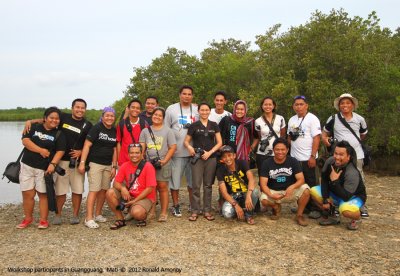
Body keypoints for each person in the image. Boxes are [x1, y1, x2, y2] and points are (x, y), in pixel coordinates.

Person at [24, 99, 93, 225]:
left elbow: (91, 143)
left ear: (85, 109)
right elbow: (46, 120)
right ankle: (58, 215)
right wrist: (30, 121)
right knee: (60, 190)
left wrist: (81, 152)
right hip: (60, 160)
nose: (80, 110)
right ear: (72, 108)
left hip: (76, 162)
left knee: (77, 190)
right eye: (77, 107)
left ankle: (75, 215)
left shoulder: (88, 125)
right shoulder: (63, 117)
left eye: (82, 108)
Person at [321, 93, 369, 218]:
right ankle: (337, 205)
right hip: (338, 155)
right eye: (342, 103)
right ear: (339, 105)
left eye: (348, 103)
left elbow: (363, 134)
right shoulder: (333, 118)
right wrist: (326, 140)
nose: (345, 105)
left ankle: (361, 206)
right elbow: (324, 133)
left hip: (357, 154)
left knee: (359, 179)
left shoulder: (360, 119)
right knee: (336, 178)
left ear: (353, 105)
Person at [17, 107, 66, 229]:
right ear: (45, 118)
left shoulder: (59, 133)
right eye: (51, 118)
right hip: (27, 165)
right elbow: (25, 141)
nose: (54, 120)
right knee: (27, 194)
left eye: (57, 118)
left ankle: (43, 220)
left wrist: (53, 164)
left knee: (43, 194)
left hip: (44, 169)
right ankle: (28, 218)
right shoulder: (34, 127)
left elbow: (60, 151)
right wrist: (41, 150)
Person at [310, 141, 366, 230]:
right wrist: (325, 199)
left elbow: (346, 196)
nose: (337, 157)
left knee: (345, 210)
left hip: (352, 196)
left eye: (341, 155)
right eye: (336, 153)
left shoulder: (352, 172)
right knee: (313, 191)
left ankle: (357, 216)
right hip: (337, 192)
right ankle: (333, 215)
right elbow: (324, 180)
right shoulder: (330, 161)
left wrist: (335, 181)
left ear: (348, 157)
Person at [78, 107, 118, 229]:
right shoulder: (96, 128)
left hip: (107, 164)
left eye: (112, 116)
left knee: (104, 190)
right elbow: (87, 145)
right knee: (94, 190)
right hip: (95, 164)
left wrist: (114, 166)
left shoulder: (114, 130)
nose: (109, 118)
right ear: (103, 116)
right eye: (107, 115)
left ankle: (98, 214)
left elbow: (115, 149)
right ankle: (88, 218)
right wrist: (82, 162)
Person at [184, 103, 222, 221]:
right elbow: (186, 141)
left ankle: (207, 210)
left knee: (208, 185)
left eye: (207, 110)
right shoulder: (194, 125)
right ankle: (195, 210)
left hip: (210, 158)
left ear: (210, 111)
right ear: (198, 111)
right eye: (202, 110)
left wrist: (210, 152)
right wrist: (190, 148)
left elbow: (219, 142)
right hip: (197, 157)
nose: (204, 112)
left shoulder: (214, 125)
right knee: (196, 185)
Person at [164, 85, 199, 217]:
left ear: (192, 96)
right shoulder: (171, 109)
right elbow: (166, 129)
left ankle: (192, 204)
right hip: (176, 152)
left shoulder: (196, 109)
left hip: (192, 152)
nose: (187, 96)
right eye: (184, 94)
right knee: (175, 181)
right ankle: (176, 205)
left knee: (192, 181)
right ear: (179, 95)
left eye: (189, 94)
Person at [259, 138, 310, 226]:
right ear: (273, 150)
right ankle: (276, 207)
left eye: (283, 149)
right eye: (277, 149)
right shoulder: (266, 163)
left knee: (306, 190)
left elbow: (301, 179)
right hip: (273, 191)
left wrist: (292, 187)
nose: (280, 152)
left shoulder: (293, 161)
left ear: (287, 150)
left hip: (288, 192)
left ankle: (299, 215)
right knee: (263, 200)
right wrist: (271, 195)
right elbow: (263, 184)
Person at [106, 143, 157, 229]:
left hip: (145, 197)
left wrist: (135, 201)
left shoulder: (148, 166)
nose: (134, 155)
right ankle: (120, 219)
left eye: (137, 153)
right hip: (130, 195)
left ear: (142, 154)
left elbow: (149, 189)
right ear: (128, 154)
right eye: (132, 153)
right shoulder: (124, 166)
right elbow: (116, 183)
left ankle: (141, 212)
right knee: (109, 192)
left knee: (137, 213)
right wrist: (122, 188)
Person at [139, 107, 177, 222]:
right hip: (149, 164)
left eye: (160, 115)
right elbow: (142, 146)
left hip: (163, 163)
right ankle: (151, 211)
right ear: (152, 116)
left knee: (162, 187)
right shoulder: (145, 131)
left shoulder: (168, 131)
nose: (157, 117)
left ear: (163, 118)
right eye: (155, 114)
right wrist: (141, 158)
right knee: (151, 188)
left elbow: (173, 147)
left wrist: (165, 160)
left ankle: (164, 212)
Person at [287, 95, 321, 218]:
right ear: (293, 106)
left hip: (308, 158)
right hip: (295, 159)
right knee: (299, 184)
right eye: (296, 104)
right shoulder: (292, 120)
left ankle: (316, 208)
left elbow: (317, 138)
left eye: (301, 104)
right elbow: (290, 137)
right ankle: (303, 206)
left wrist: (312, 156)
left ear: (306, 105)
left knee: (312, 184)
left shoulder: (312, 119)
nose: (299, 106)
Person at [216, 145, 258, 224]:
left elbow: (251, 179)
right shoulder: (220, 170)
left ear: (234, 155)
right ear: (222, 159)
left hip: (245, 192)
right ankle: (242, 210)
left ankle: (248, 215)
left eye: (229, 155)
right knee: (227, 213)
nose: (227, 159)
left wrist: (249, 195)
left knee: (254, 192)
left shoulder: (243, 163)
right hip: (232, 195)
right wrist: (236, 206)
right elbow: (224, 193)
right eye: (224, 157)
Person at [253, 96, 286, 174]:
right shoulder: (257, 121)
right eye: (265, 104)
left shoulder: (280, 118)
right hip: (262, 152)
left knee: (277, 175)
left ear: (273, 106)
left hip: (278, 152)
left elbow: (283, 135)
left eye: (270, 104)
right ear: (262, 106)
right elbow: (259, 137)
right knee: (263, 175)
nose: (267, 106)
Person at [219, 100, 257, 164]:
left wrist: (251, 148)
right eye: (237, 109)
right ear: (234, 109)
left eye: (242, 109)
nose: (239, 111)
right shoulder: (227, 119)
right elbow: (217, 134)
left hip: (243, 156)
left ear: (245, 110)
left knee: (242, 173)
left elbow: (257, 137)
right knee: (228, 173)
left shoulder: (250, 122)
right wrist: (220, 146)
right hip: (227, 155)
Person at [117, 99, 147, 167]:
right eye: (133, 107)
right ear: (128, 108)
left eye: (137, 108)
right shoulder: (121, 124)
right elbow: (118, 142)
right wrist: (119, 159)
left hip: (139, 162)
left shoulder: (144, 124)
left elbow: (146, 143)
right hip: (123, 161)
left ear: (140, 110)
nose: (135, 110)